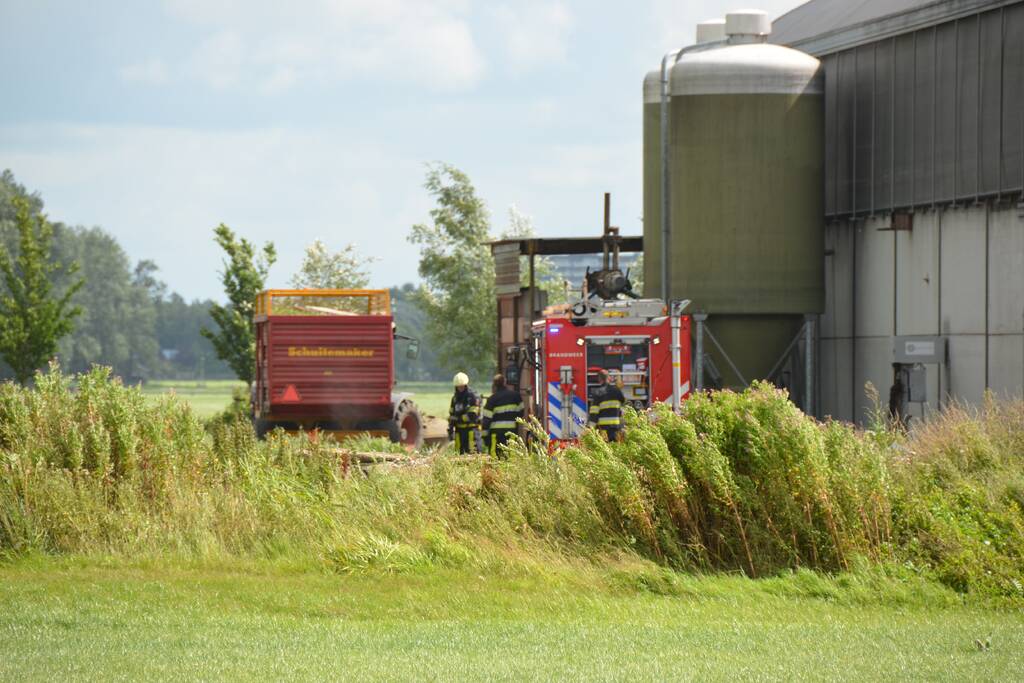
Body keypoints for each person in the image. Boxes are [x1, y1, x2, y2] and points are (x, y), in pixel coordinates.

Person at [481, 374, 524, 458]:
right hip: (511, 433)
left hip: (495, 435)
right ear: (505, 383)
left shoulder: (492, 399)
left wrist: (485, 438)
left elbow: (486, 421)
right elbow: (521, 413)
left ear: (494, 385)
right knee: (511, 458)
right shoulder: (516, 396)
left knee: (495, 459)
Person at [448, 372, 481, 454]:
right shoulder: (455, 398)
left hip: (471, 431)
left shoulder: (473, 396)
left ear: (466, 385)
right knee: (459, 455)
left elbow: (472, 415)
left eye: (462, 386)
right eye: (458, 387)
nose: (460, 388)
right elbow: (452, 415)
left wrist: (458, 418)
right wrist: (451, 430)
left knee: (473, 454)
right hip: (459, 432)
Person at [588, 369, 625, 442]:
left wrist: (590, 428)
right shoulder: (616, 391)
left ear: (599, 379)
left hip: (603, 429)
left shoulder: (598, 392)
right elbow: (624, 403)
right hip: (615, 427)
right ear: (609, 378)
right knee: (615, 448)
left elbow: (594, 413)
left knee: (605, 449)